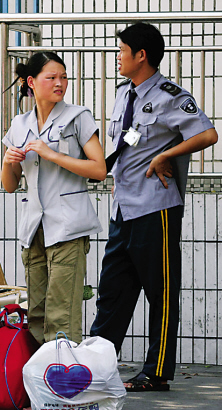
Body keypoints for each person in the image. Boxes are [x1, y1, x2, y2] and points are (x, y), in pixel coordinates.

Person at [90, 22, 218, 392]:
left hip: (156, 209)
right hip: (123, 208)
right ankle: (97, 364)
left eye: (121, 50)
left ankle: (156, 372)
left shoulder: (169, 96)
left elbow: (207, 134)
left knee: (161, 292)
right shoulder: (122, 94)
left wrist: (167, 153)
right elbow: (126, 142)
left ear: (140, 55)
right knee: (112, 291)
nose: (117, 56)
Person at [1, 52, 106, 346]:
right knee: (35, 312)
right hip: (34, 227)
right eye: (52, 78)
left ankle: (61, 381)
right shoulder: (19, 124)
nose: (60, 83)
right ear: (32, 82)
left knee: (61, 313)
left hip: (68, 226)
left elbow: (99, 169)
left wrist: (53, 155)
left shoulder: (77, 117)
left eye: (63, 77)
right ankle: (39, 381)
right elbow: (8, 186)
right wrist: (9, 162)